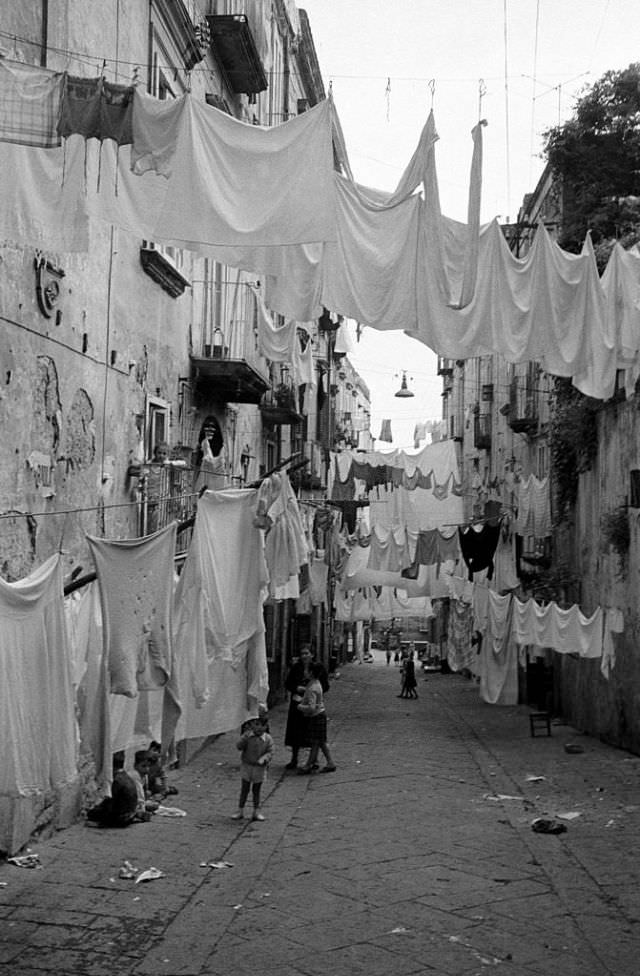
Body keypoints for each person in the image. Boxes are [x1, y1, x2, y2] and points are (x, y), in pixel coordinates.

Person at [283, 644, 329, 770]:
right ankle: (294, 758)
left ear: (312, 654)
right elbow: (288, 683)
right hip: (297, 703)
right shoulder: (296, 668)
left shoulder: (318, 668)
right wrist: (296, 688)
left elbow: (325, 686)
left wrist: (312, 691)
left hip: (311, 706)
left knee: (312, 734)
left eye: (306, 653)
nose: (304, 656)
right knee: (295, 732)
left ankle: (313, 760)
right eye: (302, 654)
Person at [232, 713, 274, 821]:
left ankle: (256, 811)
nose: (260, 728)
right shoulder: (248, 736)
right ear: (252, 725)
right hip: (247, 766)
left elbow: (270, 752)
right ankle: (240, 810)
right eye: (257, 724)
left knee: (256, 790)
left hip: (259, 768)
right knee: (244, 789)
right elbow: (239, 746)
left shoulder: (268, 739)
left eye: (262, 725)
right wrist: (243, 740)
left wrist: (264, 759)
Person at [297, 662, 336, 774]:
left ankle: (308, 765)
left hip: (316, 716)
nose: (304, 672)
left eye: (306, 670)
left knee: (315, 742)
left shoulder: (313, 687)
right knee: (321, 741)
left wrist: (300, 706)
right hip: (320, 715)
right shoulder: (315, 684)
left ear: (311, 673)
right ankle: (330, 762)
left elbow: (312, 707)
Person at [86, 752, 139, 828]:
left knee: (92, 813)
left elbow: (111, 802)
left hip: (122, 818)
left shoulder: (117, 780)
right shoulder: (126, 776)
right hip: (130, 813)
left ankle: (104, 824)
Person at [193, 415, 226, 494]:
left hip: (219, 484)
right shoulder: (202, 445)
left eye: (212, 426)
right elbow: (196, 467)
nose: (209, 429)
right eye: (207, 426)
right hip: (204, 482)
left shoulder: (223, 447)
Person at [129, 750, 158, 820]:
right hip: (127, 801)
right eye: (143, 766)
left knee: (155, 805)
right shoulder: (135, 775)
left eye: (149, 766)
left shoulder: (144, 775)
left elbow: (144, 792)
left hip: (135, 800)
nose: (147, 769)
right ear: (135, 766)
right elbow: (140, 796)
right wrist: (143, 809)